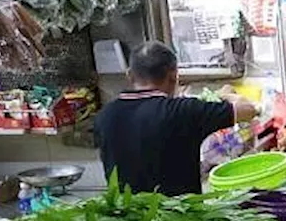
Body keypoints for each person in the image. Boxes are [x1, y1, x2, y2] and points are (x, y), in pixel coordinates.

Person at [95, 41, 257, 195]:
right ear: (174, 77)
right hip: (181, 218)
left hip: (126, 219)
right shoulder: (184, 111)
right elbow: (248, 110)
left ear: (129, 75)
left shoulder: (104, 116)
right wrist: (226, 95)